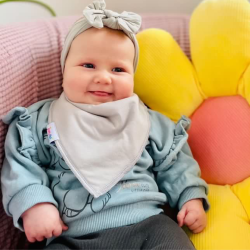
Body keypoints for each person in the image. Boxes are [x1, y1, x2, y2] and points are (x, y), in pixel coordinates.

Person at [1, 0, 209, 249]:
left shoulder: (149, 122)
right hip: (71, 235)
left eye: (118, 69)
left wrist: (190, 197)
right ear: (63, 68)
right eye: (88, 66)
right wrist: (35, 205)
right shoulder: (40, 121)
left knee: (173, 242)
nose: (103, 77)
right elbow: (21, 166)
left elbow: (175, 163)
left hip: (147, 224)